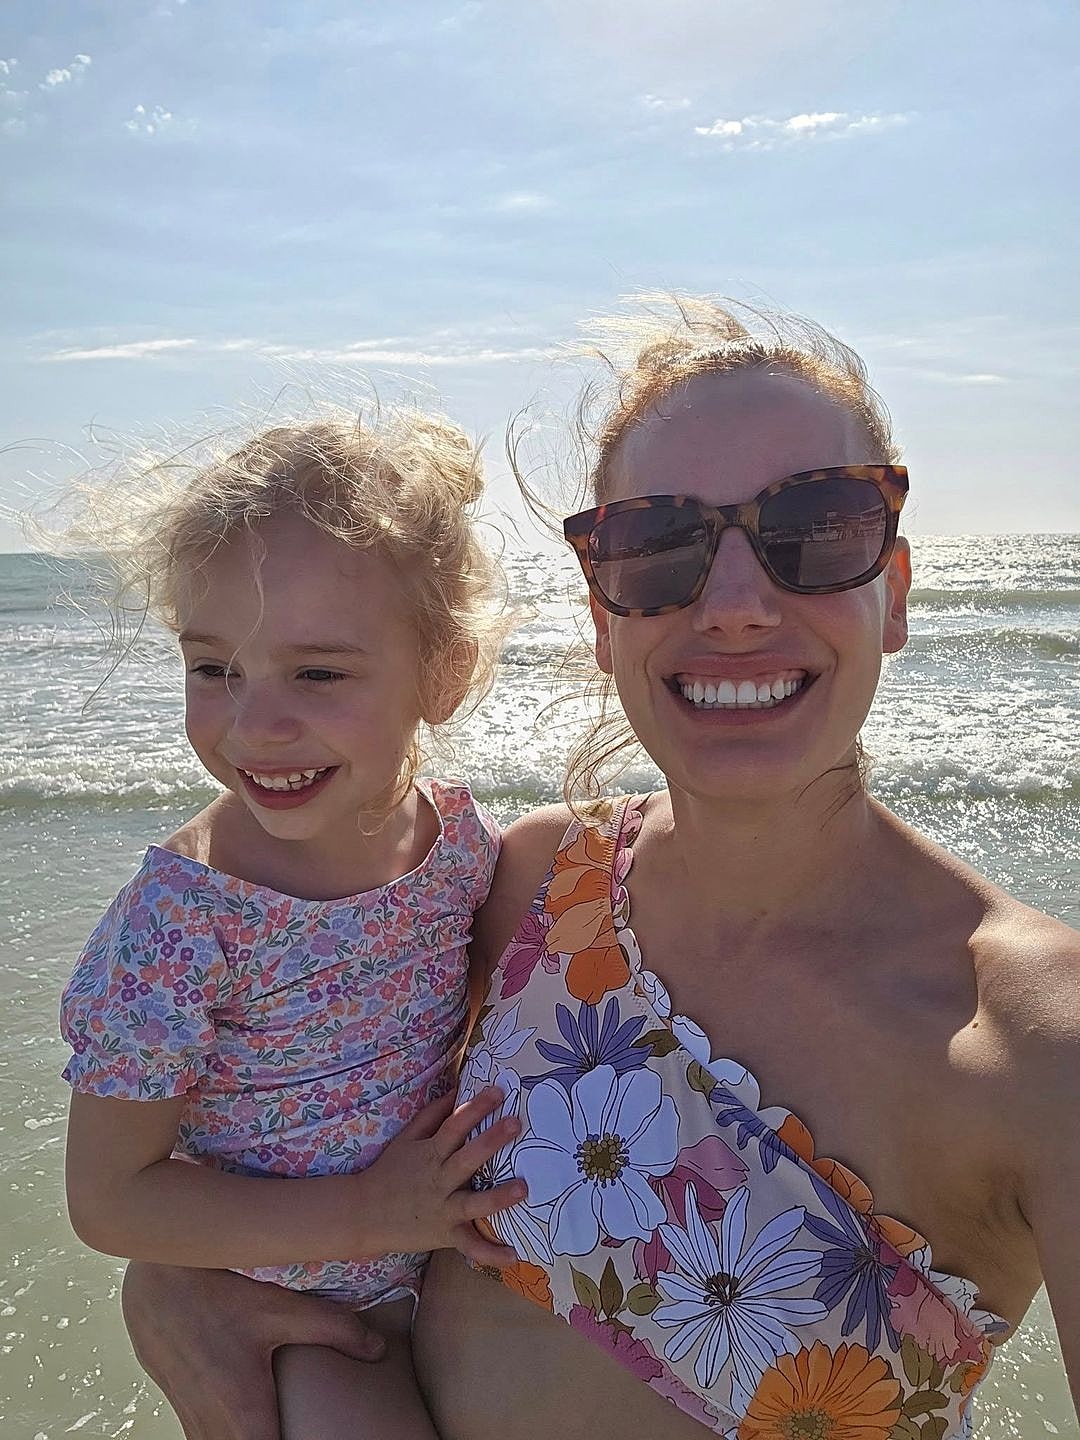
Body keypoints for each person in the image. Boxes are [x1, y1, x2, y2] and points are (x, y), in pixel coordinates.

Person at [121, 298, 1079, 1439]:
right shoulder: (524, 890)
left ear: (899, 591)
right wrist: (177, 1296)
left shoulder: (1033, 1045)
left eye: (819, 528)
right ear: (599, 615)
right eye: (658, 548)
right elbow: (278, 1167)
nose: (732, 606)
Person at [57, 409, 529, 1440]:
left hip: (441, 1267)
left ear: (441, 674)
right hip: (302, 1317)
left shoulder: (458, 843)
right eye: (212, 667)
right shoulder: (181, 924)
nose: (250, 724)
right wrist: (368, 1217)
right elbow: (109, 1199)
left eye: (317, 673)